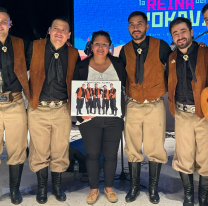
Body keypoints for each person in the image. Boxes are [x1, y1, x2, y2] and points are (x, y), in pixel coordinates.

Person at [119, 11, 172, 204]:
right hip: (133, 104)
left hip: (154, 103)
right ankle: (134, 187)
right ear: (128, 28)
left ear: (147, 26)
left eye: (139, 24)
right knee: (132, 146)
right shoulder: (124, 50)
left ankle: (153, 189)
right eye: (132, 24)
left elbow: (174, 66)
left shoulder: (161, 45)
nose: (136, 28)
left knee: (155, 147)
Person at [27, 16, 80, 204]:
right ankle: (42, 188)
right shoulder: (34, 47)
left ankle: (57, 187)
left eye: (63, 30)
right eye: (56, 28)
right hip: (38, 108)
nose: (59, 32)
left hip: (61, 109)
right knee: (39, 150)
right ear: (49, 30)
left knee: (60, 149)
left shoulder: (73, 53)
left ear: (69, 35)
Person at [73, 30, 126, 204]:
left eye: (105, 44)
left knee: (111, 155)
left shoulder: (118, 63)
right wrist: (81, 113)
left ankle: (109, 188)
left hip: (113, 118)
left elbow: (126, 87)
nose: (101, 47)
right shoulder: (81, 66)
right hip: (89, 120)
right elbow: (76, 92)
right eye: (97, 43)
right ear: (91, 45)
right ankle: (94, 189)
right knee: (92, 154)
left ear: (110, 46)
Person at [167, 17, 208, 206]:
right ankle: (189, 195)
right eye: (175, 33)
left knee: (206, 157)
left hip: (204, 114)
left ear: (191, 32)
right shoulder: (172, 57)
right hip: (182, 114)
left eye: (183, 31)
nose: (179, 36)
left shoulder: (205, 53)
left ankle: (204, 196)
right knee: (183, 156)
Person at [0, 7, 30, 205]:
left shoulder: (21, 44)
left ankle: (14, 190)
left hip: (15, 102)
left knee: (17, 148)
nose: (0, 24)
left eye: (4, 21)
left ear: (10, 24)